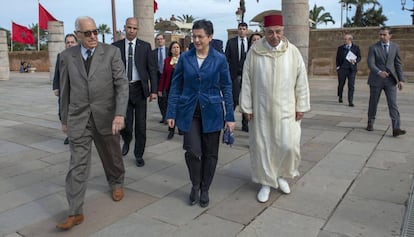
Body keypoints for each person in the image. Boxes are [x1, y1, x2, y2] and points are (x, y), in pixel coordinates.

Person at [56, 16, 129, 230]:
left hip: (107, 116)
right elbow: (64, 89)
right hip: (79, 118)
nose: (93, 36)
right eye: (87, 33)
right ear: (77, 34)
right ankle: (75, 212)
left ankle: (116, 181)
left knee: (112, 155)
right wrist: (64, 118)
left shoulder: (112, 53)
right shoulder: (66, 57)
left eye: (95, 31)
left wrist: (119, 114)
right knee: (77, 165)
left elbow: (122, 85)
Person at [240, 14, 310, 203]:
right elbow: (246, 81)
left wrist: (302, 104)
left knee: (288, 145)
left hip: (287, 109)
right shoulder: (254, 51)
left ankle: (281, 176)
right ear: (264, 32)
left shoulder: (293, 52)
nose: (274, 36)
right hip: (261, 110)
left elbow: (301, 80)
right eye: (270, 32)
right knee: (263, 146)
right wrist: (246, 106)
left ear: (283, 31)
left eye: (278, 32)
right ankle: (266, 182)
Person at [166, 19, 235, 208]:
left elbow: (227, 87)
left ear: (210, 37)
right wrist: (171, 112)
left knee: (210, 154)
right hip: (189, 111)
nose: (196, 40)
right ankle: (195, 184)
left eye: (200, 36)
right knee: (193, 151)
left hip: (212, 112)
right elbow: (176, 86)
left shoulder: (219, 59)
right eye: (193, 36)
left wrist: (230, 116)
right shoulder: (185, 58)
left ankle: (205, 188)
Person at [112, 17, 158, 167]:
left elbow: (152, 69)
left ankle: (139, 154)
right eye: (129, 27)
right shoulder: (115, 47)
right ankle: (126, 139)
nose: (131, 30)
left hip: (139, 89)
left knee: (140, 126)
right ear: (124, 28)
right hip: (123, 90)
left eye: (134, 28)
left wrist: (154, 91)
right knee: (125, 124)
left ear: (138, 30)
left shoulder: (145, 47)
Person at [366, 26, 406, 137]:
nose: (382, 36)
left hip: (390, 81)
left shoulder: (395, 47)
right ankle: (370, 122)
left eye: (384, 34)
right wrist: (379, 72)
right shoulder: (373, 47)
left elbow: (398, 64)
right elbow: (370, 63)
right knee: (373, 102)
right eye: (380, 34)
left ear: (390, 35)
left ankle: (396, 128)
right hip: (376, 79)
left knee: (393, 104)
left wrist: (401, 80)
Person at [52, 33, 78, 145]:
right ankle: (69, 133)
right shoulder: (60, 56)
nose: (70, 44)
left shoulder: (81, 56)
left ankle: (74, 135)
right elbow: (56, 73)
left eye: (72, 42)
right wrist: (56, 87)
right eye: (68, 42)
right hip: (64, 91)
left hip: (77, 91)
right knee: (62, 113)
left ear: (76, 43)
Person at [225, 22, 249, 132]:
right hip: (234, 75)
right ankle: (229, 121)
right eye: (240, 29)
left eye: (244, 29)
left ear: (247, 30)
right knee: (234, 99)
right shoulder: (231, 42)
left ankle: (245, 124)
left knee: (246, 100)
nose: (242, 31)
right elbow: (226, 59)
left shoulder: (250, 42)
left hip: (247, 76)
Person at [158, 41, 181, 140]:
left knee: (181, 109)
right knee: (170, 109)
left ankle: (181, 128)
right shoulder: (167, 60)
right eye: (174, 47)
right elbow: (163, 76)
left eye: (177, 47)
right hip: (170, 88)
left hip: (182, 89)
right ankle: (171, 130)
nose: (175, 49)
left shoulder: (184, 60)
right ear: (170, 50)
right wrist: (160, 88)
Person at [335, 33, 361, 107]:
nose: (345, 40)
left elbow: (359, 57)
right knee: (341, 84)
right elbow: (337, 58)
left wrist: (355, 61)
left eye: (346, 39)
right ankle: (340, 96)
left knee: (351, 85)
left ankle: (350, 101)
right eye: (345, 39)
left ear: (350, 40)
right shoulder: (340, 48)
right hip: (342, 69)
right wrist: (338, 67)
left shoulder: (356, 47)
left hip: (352, 69)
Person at [153, 33, 168, 124]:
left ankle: (167, 116)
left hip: (167, 77)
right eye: (158, 39)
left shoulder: (168, 51)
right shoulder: (153, 52)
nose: (160, 41)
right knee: (160, 98)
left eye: (161, 39)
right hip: (158, 77)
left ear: (164, 40)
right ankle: (164, 116)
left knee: (167, 98)